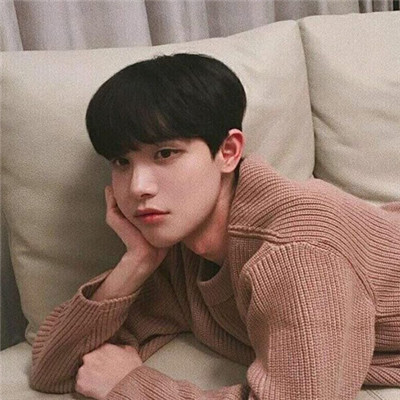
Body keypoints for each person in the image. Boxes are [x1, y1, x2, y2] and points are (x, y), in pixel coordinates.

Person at [30, 53, 400, 400]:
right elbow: (53, 370)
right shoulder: (183, 250)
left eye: (165, 153)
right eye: (121, 162)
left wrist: (134, 388)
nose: (138, 187)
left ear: (228, 152)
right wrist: (136, 262)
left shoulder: (298, 253)